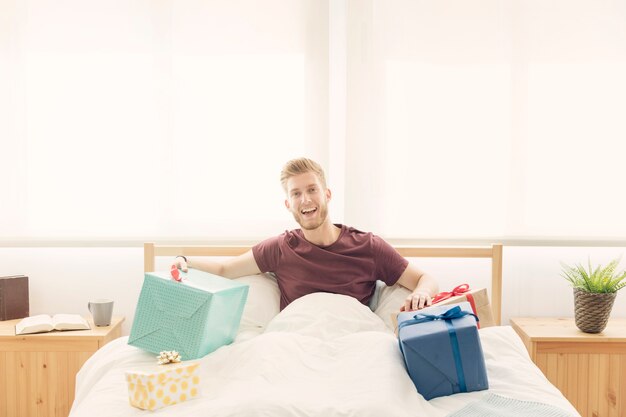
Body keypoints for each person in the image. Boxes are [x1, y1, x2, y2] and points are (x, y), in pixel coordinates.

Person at [174, 157, 438, 312]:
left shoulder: (367, 247)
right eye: (296, 193)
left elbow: (425, 279)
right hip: (298, 340)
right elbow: (224, 269)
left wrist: (422, 293)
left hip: (353, 340)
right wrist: (185, 261)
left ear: (327, 194)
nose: (306, 200)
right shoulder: (279, 248)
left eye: (312, 190)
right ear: (288, 204)